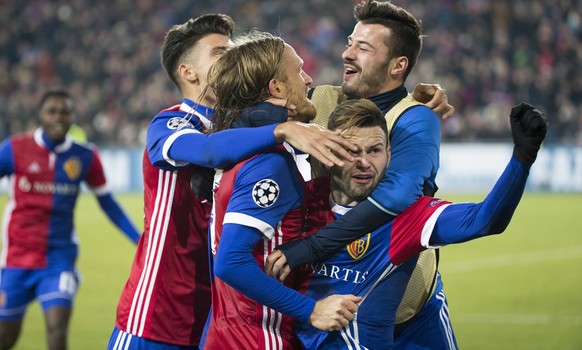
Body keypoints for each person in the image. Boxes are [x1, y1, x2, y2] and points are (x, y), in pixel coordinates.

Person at [107, 14, 366, 350]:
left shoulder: (245, 130)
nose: (232, 57)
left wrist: (414, 103)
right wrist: (281, 129)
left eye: (233, 49)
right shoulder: (172, 123)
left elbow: (308, 99)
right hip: (158, 314)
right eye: (219, 53)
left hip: (218, 311)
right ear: (188, 72)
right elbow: (209, 150)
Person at [267, 1, 459, 348]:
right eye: (349, 42)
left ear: (398, 65)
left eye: (363, 47)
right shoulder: (321, 102)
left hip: (412, 316)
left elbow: (398, 196)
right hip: (336, 311)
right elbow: (253, 109)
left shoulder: (414, 118)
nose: (347, 54)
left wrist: (309, 248)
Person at [288, 98, 547, 349]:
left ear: (389, 154)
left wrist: (521, 159)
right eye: (352, 151)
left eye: (374, 150)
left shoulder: (404, 215)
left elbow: (483, 220)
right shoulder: (302, 199)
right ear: (331, 152)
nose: (365, 162)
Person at [204, 31, 364, 350]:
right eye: (298, 70)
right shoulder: (268, 164)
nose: (308, 79)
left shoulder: (245, 150)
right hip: (255, 338)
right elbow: (231, 262)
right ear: (276, 88)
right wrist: (312, 311)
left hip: (233, 333)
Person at [0, 90, 141, 350]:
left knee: (57, 330)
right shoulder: (15, 149)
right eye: (51, 111)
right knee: (6, 337)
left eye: (65, 112)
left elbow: (108, 203)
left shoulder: (84, 156)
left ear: (73, 116)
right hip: (16, 259)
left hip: (59, 259)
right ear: (40, 115)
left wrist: (139, 240)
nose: (58, 117)